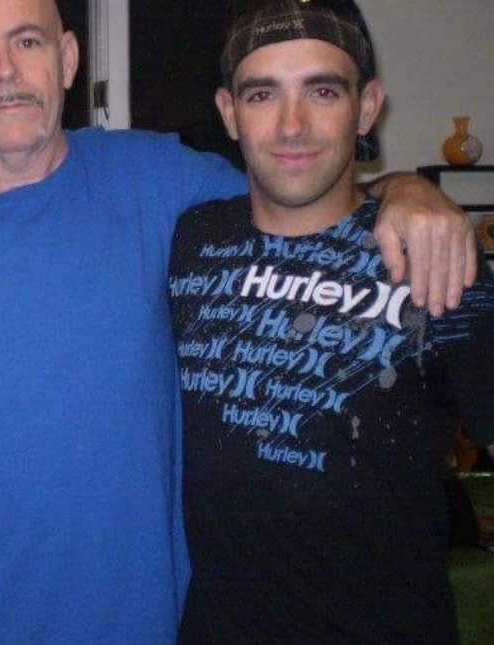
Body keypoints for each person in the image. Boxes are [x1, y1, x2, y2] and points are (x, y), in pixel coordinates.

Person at [0, 0, 480, 642]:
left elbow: (299, 180)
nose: (4, 73)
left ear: (68, 58)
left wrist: (409, 189)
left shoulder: (164, 182)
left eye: (27, 41)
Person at [167, 1, 494, 642]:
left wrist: (408, 189)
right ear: (230, 114)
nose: (293, 125)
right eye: (263, 95)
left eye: (322, 90)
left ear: (367, 107)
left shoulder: (438, 260)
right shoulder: (189, 241)